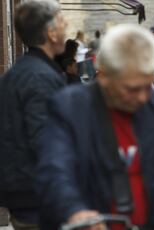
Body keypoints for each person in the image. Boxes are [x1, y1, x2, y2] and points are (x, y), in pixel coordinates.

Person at [36, 24, 154, 230]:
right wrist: (75, 211)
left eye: (148, 85)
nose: (142, 97)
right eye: (131, 89)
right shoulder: (68, 109)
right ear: (104, 77)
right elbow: (54, 171)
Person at [0, 0, 67, 229]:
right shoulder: (39, 77)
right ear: (51, 32)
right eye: (61, 21)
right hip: (37, 196)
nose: (66, 25)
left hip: (25, 193)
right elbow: (46, 141)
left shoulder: (21, 72)